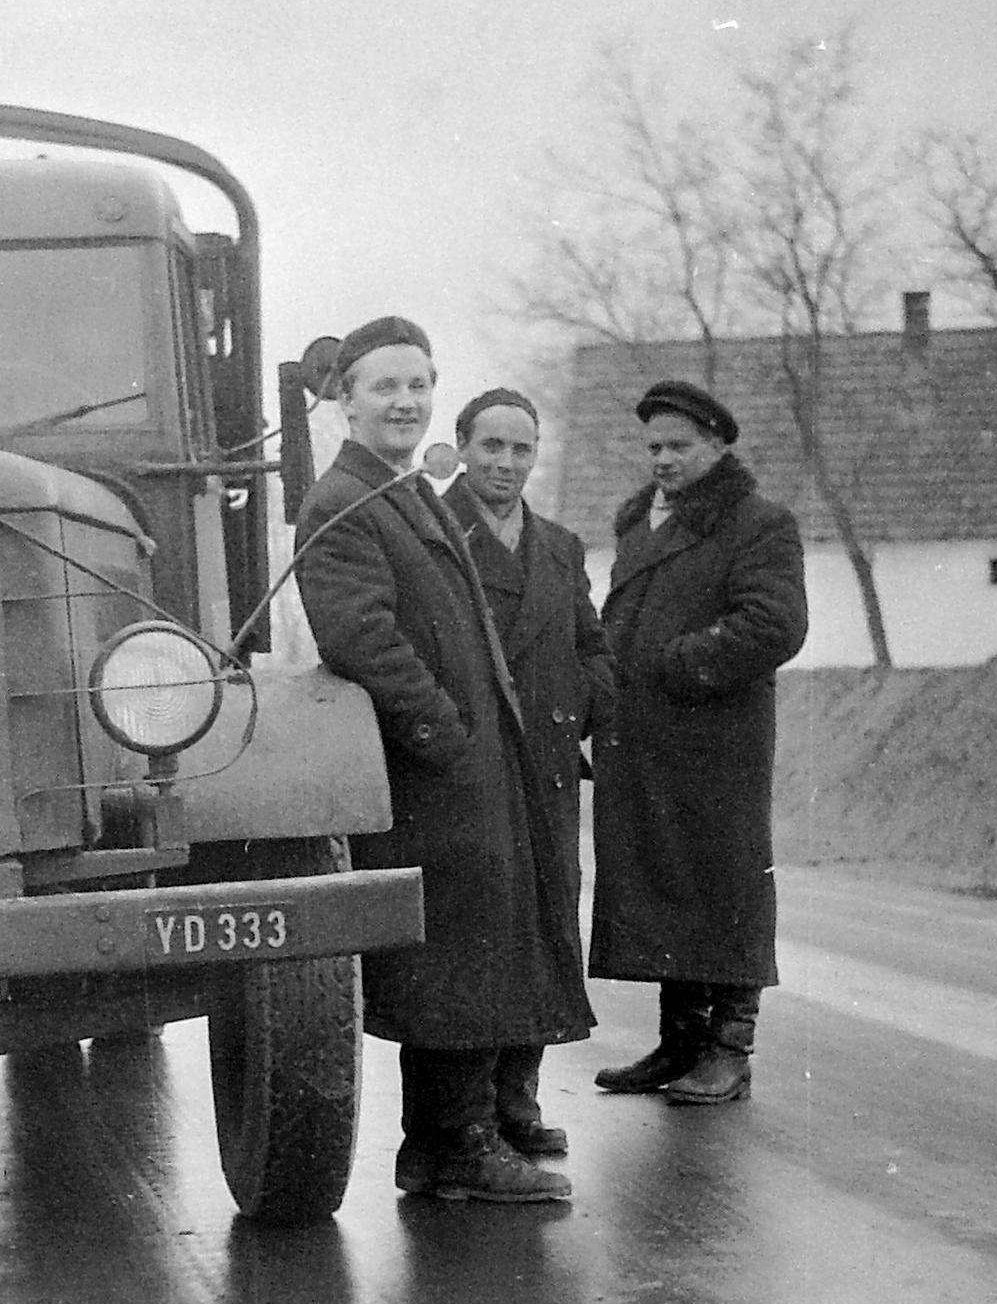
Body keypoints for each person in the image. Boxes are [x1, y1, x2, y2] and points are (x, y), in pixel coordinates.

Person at [295, 320, 594, 1204]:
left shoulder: (399, 490)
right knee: (458, 949)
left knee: (463, 941)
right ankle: (461, 1139)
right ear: (345, 399)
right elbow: (360, 635)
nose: (406, 402)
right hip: (430, 766)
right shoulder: (344, 500)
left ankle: (432, 1147)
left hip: (457, 762)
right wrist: (445, 731)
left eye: (419, 385)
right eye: (385, 387)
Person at [590, 378, 809, 1106]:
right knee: (665, 885)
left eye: (678, 446)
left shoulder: (758, 523)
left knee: (727, 886)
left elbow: (775, 624)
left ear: (717, 446)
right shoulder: (640, 523)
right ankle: (681, 1041)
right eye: (653, 446)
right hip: (645, 741)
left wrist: (676, 662)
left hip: (716, 744)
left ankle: (730, 1047)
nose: (662, 459)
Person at [439, 387, 614, 1157]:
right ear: (463, 446)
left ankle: (519, 1101)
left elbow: (590, 643)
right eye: (491, 447)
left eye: (521, 448)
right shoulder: (436, 535)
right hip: (472, 770)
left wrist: (580, 706)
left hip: (544, 769)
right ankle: (468, 1114)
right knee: (480, 938)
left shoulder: (561, 545)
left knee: (545, 929)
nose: (506, 464)